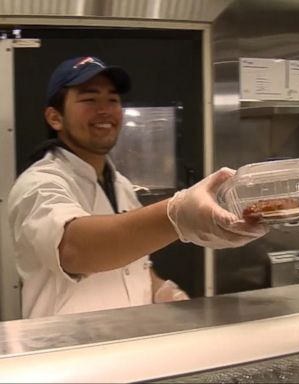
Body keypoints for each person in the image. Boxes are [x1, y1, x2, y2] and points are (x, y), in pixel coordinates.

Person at [7, 56, 267, 319]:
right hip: (69, 352)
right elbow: (75, 249)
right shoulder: (38, 183)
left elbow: (131, 261)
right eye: (89, 99)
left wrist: (162, 290)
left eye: (113, 99)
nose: (105, 109)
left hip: (129, 347)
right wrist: (177, 215)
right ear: (55, 118)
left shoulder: (120, 184)